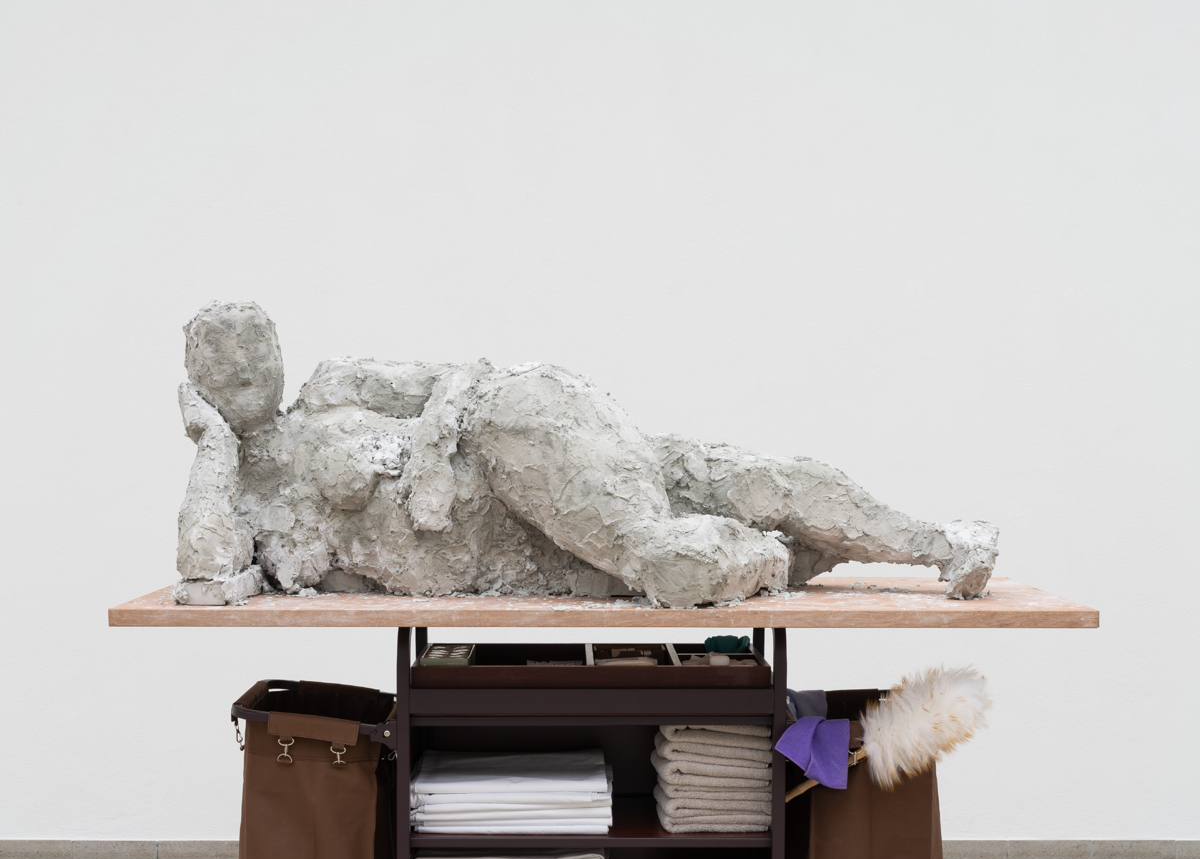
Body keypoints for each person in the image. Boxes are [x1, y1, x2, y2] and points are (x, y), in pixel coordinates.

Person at [174, 300, 997, 607]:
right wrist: (212, 447)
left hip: (520, 438)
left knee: (706, 503)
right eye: (220, 353)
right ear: (195, 378)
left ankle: (935, 542)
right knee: (693, 535)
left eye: (255, 344)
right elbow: (205, 576)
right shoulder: (241, 497)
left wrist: (427, 455)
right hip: (527, 546)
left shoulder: (335, 388)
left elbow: (466, 376)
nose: (244, 366)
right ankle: (784, 556)